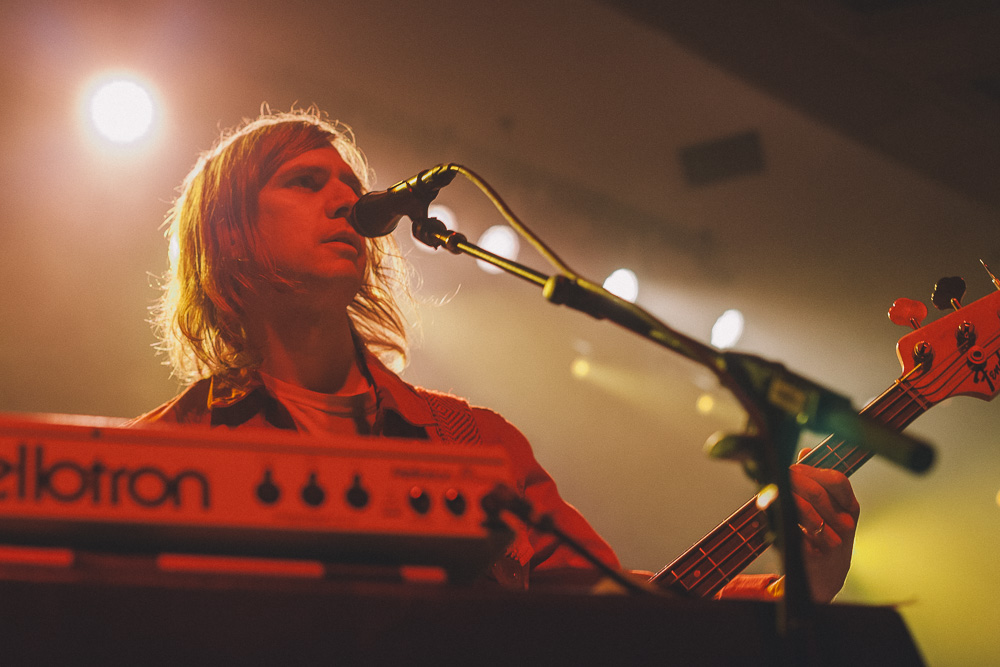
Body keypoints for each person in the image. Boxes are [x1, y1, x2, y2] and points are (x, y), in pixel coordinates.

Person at [133, 108, 859, 600]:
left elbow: (616, 610)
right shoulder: (162, 455)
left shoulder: (475, 444)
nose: (345, 200)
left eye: (351, 185)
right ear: (228, 234)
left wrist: (788, 587)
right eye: (304, 181)